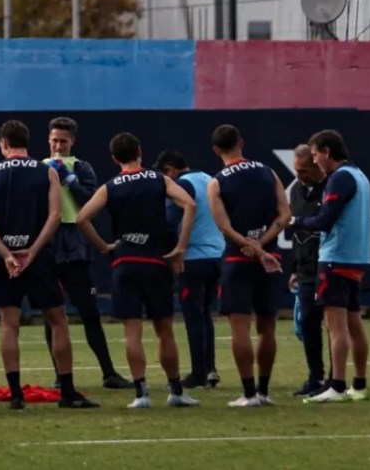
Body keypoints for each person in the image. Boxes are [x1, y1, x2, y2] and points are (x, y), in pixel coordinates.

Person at [0, 120, 95, 410]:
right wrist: (33, 251)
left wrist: (7, 253)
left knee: (9, 325)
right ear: (27, 142)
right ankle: (66, 390)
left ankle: (16, 393)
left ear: (3, 144)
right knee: (57, 320)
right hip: (38, 257)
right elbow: (55, 216)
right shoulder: (47, 172)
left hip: (6, 260)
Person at [77, 133, 199, 409]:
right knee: (164, 329)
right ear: (140, 152)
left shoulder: (110, 186)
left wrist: (104, 247)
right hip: (155, 262)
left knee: (132, 331)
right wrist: (181, 245)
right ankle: (176, 390)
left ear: (114, 158)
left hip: (125, 263)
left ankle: (141, 393)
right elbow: (190, 204)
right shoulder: (158, 179)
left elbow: (82, 218)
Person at [43, 117, 130, 390]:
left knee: (88, 310)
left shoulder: (82, 167)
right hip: (49, 240)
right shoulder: (39, 168)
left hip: (75, 242)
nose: (58, 146)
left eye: (63, 141)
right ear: (48, 140)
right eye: (55, 140)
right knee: (52, 311)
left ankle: (108, 372)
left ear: (73, 142)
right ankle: (61, 374)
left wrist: (69, 179)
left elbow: (91, 202)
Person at [206, 125, 288, 408]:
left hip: (237, 259)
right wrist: (262, 246)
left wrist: (250, 247)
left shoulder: (216, 182)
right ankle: (263, 391)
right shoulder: (268, 171)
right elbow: (285, 215)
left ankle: (249, 392)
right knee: (267, 327)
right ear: (241, 142)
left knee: (240, 327)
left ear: (216, 150)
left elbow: (224, 227)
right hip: (270, 258)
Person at [291, 130, 370, 404]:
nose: (315, 161)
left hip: (336, 257)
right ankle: (358, 384)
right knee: (354, 322)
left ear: (326, 151)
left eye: (315, 155)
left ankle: (336, 385)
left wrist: (297, 222)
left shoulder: (340, 178)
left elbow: (325, 220)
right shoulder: (360, 175)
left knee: (335, 325)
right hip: (356, 256)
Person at [154, 148, 226, 389]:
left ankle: (198, 373)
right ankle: (210, 368)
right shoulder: (208, 178)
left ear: (170, 171)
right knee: (205, 314)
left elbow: (169, 221)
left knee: (193, 316)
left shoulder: (182, 185)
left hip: (193, 257)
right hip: (217, 254)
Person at [287, 144, 329, 397]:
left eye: (303, 171)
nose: (299, 176)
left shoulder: (332, 189)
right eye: (296, 171)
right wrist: (295, 267)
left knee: (334, 323)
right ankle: (315, 377)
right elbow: (298, 233)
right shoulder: (297, 192)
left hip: (327, 265)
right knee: (307, 323)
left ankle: (336, 378)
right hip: (305, 269)